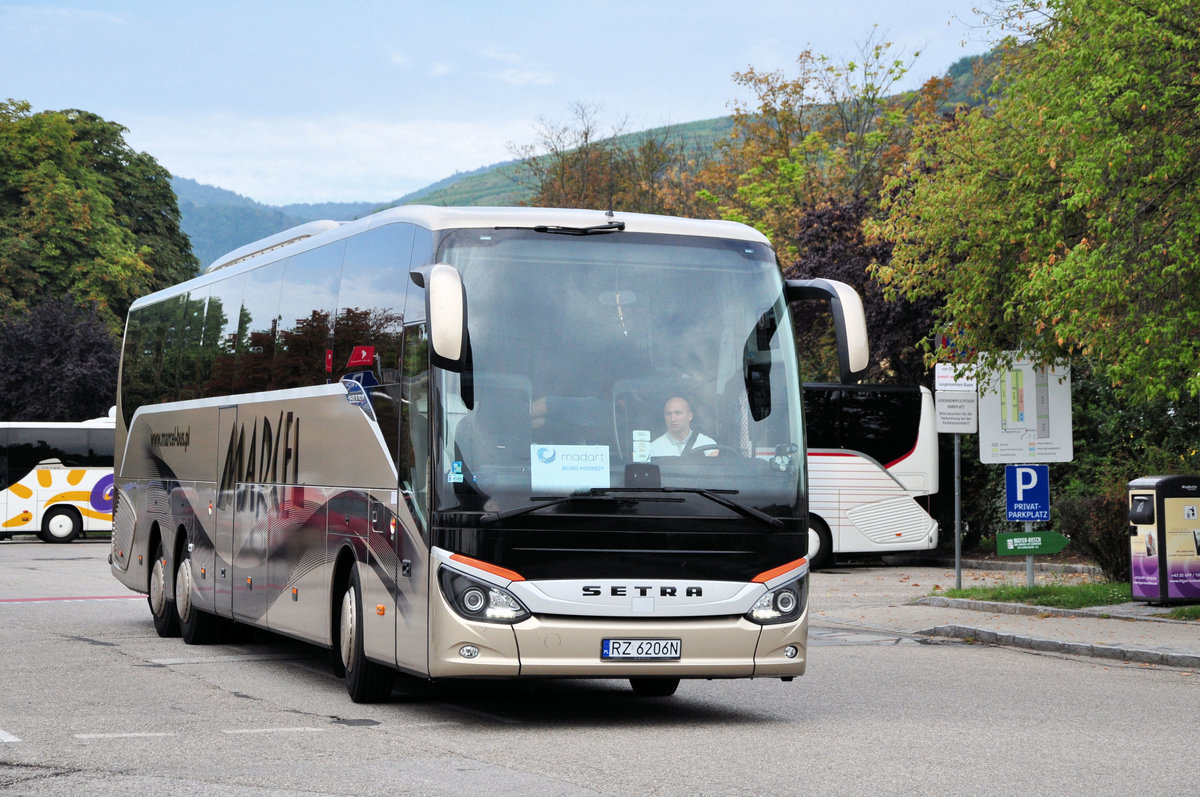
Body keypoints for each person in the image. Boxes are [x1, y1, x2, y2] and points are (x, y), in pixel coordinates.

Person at [649, 396, 716, 457]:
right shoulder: (653, 449)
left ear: (690, 416)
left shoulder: (708, 446)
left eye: (678, 413)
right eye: (668, 414)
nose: (672, 419)